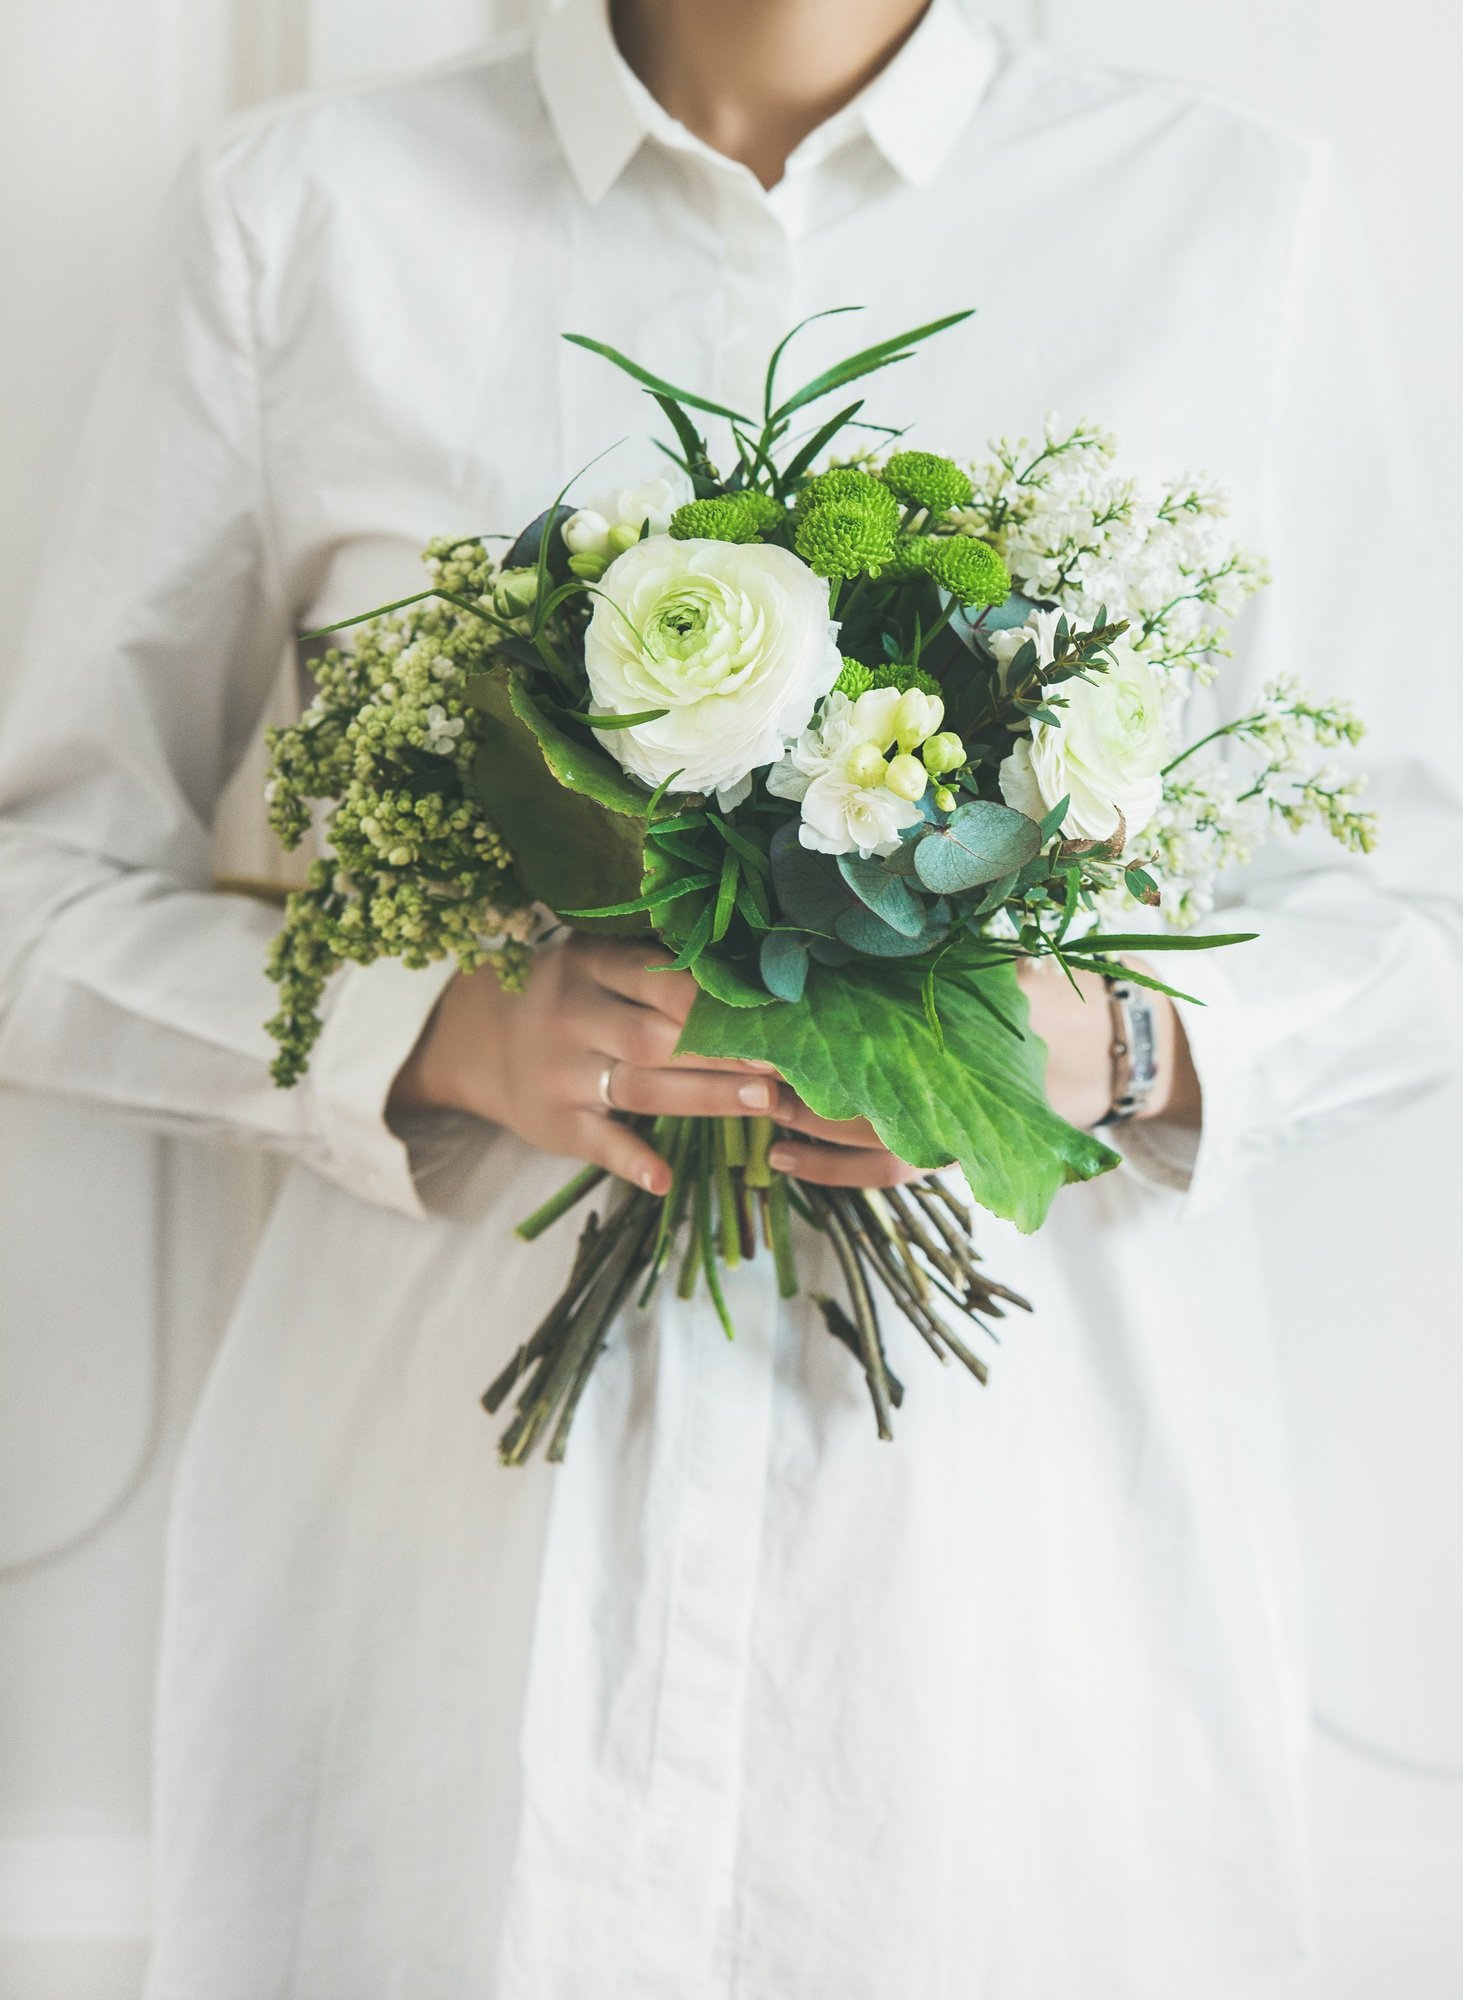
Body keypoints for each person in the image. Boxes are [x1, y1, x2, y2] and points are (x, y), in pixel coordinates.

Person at [0, 0, 1457, 1993]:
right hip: (441, 1589)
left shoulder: (1219, 218)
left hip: (1002, 1631)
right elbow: (37, 888)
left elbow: (1416, 904)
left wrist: (1100, 1046)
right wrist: (425, 1032)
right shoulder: (305, 218)